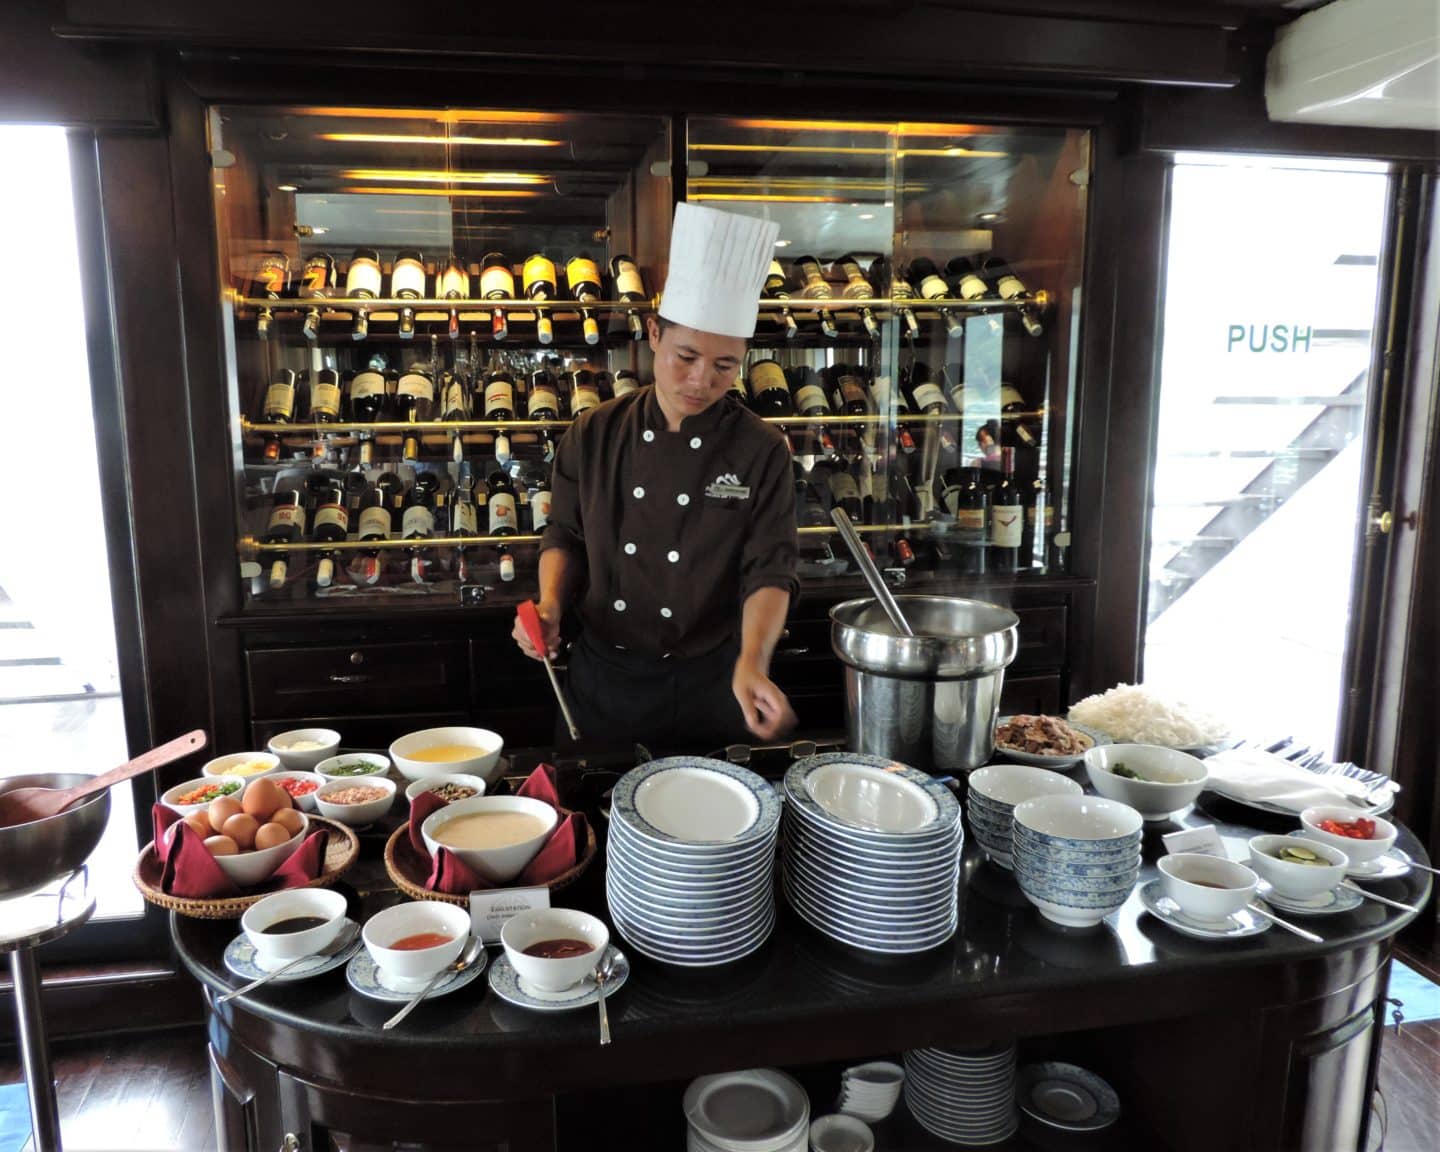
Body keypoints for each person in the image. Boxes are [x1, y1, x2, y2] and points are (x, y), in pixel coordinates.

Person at [512, 204, 798, 752]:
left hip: (716, 682)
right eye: (686, 356)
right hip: (606, 682)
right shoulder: (594, 432)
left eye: (724, 365)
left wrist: (754, 663)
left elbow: (771, 569)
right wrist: (548, 606)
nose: (700, 380)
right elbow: (565, 534)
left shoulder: (761, 449)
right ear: (653, 334)